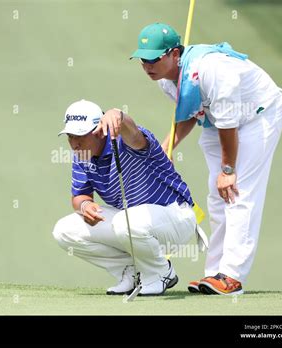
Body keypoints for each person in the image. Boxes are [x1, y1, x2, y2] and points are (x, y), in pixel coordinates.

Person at [130, 23, 282, 295]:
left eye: (154, 58)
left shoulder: (214, 71)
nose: (147, 65)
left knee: (237, 191)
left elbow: (229, 123)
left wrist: (228, 169)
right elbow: (191, 112)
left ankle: (233, 276)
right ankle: (214, 272)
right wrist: (167, 149)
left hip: (258, 115)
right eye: (143, 59)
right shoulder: (165, 80)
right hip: (217, 122)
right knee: (217, 196)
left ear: (175, 54)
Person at [52, 99, 206, 296]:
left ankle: (161, 273)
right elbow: (80, 195)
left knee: (128, 223)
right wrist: (84, 205)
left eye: (80, 136)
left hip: (176, 216)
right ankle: (132, 272)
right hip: (133, 224)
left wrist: (119, 116)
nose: (74, 144)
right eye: (70, 137)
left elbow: (133, 133)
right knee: (64, 230)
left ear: (100, 131)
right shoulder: (82, 155)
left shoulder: (127, 141)